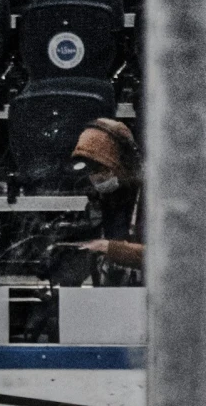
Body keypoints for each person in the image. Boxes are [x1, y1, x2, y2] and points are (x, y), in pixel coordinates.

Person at [60, 117, 144, 283]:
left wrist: (109, 249)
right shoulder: (99, 201)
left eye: (101, 168)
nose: (96, 177)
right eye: (90, 169)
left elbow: (166, 257)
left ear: (124, 162)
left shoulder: (152, 201)